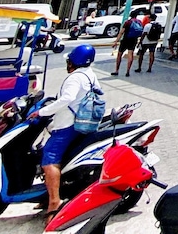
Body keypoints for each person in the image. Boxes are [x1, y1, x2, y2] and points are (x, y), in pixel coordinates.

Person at [35, 44, 100, 220]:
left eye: (69, 60)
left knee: (49, 160)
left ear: (74, 61)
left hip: (67, 125)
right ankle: (50, 193)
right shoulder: (90, 75)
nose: (68, 64)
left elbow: (67, 98)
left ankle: (54, 202)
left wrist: (41, 112)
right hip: (83, 123)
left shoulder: (75, 78)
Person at [111, 12, 144, 76]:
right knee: (130, 55)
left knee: (119, 54)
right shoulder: (139, 22)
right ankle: (128, 71)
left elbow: (121, 32)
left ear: (130, 15)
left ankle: (117, 71)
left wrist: (116, 41)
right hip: (134, 40)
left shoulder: (128, 22)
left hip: (125, 40)